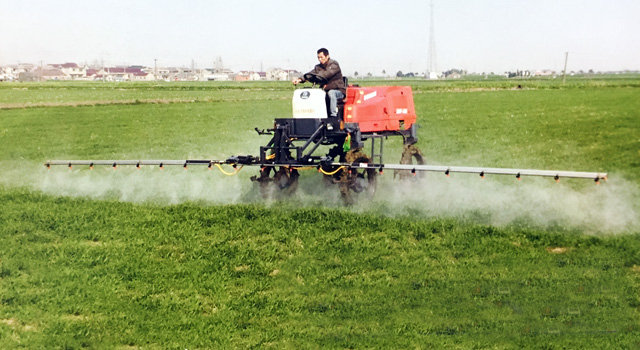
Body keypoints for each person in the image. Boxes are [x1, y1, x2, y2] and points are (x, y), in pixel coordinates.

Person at [293, 48, 346, 117]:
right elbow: (311, 73)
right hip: (325, 90)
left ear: (327, 56)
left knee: (331, 93)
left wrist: (325, 85)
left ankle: (333, 115)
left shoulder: (334, 65)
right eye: (318, 57)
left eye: (321, 57)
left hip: (338, 90)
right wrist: (300, 79)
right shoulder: (318, 67)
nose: (320, 59)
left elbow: (326, 74)